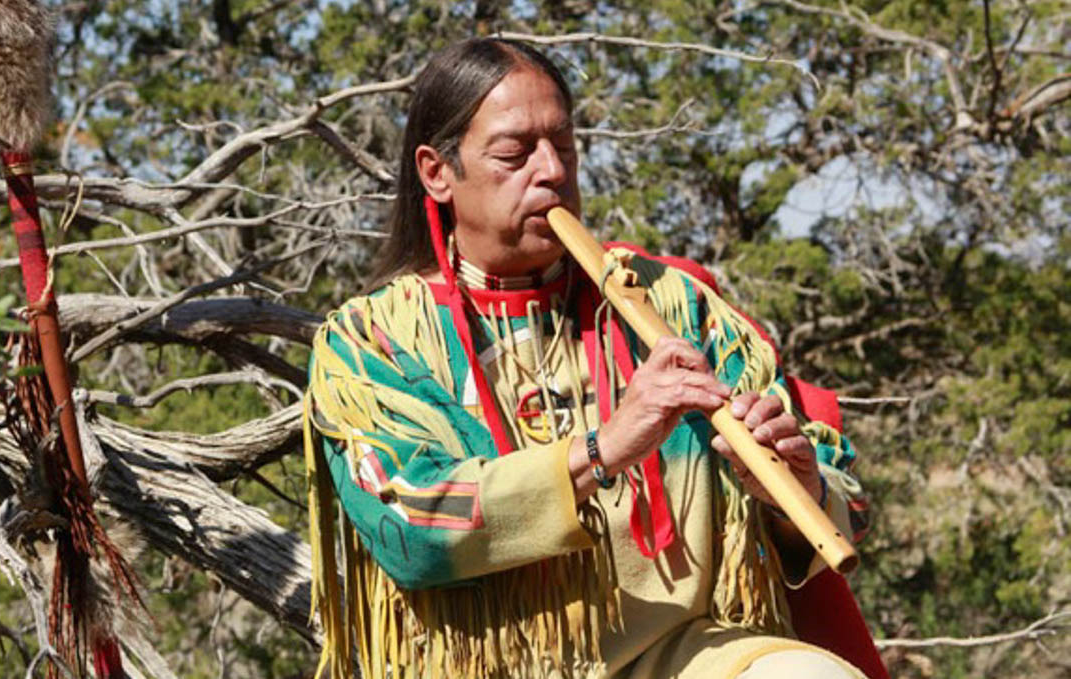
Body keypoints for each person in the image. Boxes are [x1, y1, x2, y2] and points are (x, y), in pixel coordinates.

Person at [305, 38, 882, 679]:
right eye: (514, 153)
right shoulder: (372, 341)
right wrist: (604, 448)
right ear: (437, 172)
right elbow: (410, 527)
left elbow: (845, 507)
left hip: (681, 655)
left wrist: (794, 489)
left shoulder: (675, 306)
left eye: (564, 146)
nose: (551, 170)